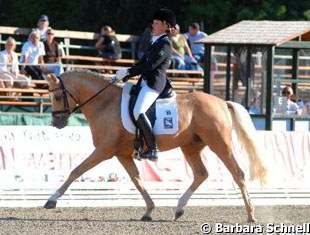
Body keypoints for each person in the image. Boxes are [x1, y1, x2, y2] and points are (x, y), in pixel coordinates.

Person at [115, 8, 176, 162]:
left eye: (156, 23)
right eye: (153, 23)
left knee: (138, 111)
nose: (153, 25)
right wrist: (127, 73)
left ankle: (153, 149)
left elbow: (151, 65)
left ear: (165, 25)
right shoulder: (154, 42)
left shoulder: (165, 44)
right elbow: (142, 63)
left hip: (155, 84)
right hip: (144, 82)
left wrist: (130, 71)